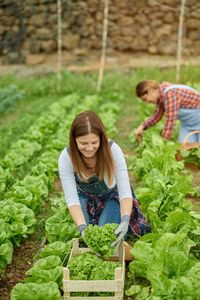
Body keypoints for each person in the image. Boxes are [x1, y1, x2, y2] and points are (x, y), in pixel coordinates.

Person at [58, 111, 150, 251]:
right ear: (74, 140)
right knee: (88, 234)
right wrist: (82, 228)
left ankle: (124, 237)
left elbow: (125, 190)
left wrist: (125, 219)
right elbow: (72, 198)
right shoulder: (66, 157)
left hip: (111, 197)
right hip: (84, 198)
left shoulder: (112, 150)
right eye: (83, 143)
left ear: (101, 138)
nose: (89, 148)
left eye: (94, 142)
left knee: (107, 234)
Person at [134, 80, 200, 143]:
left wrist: (163, 142)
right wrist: (142, 127)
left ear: (150, 90)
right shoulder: (161, 97)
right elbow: (157, 115)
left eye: (145, 99)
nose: (147, 102)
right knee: (184, 149)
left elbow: (170, 121)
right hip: (187, 124)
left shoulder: (170, 94)